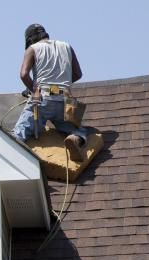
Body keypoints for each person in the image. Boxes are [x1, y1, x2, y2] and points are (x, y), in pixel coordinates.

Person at [12, 24, 91, 161]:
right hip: (65, 101)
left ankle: (18, 159)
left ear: (30, 40)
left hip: (43, 98)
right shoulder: (67, 46)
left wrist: (34, 90)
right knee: (78, 130)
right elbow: (78, 74)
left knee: (20, 132)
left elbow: (24, 75)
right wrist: (61, 85)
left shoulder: (32, 49)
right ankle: (75, 139)